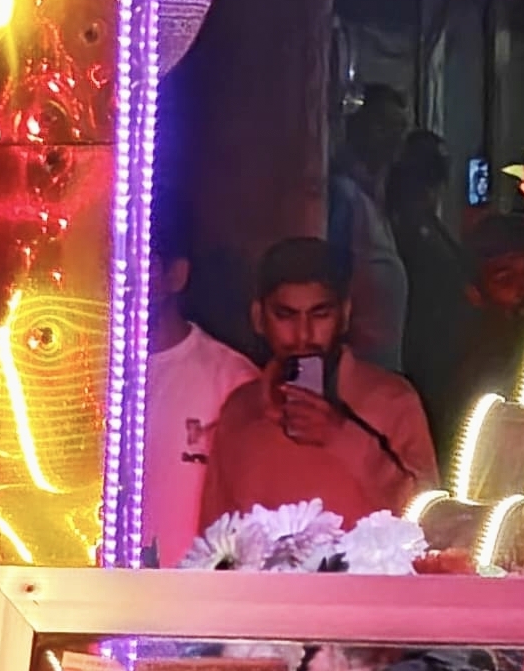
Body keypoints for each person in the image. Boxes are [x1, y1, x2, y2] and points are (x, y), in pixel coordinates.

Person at [195, 240, 436, 531]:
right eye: (285, 315)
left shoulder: (393, 401)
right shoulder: (241, 409)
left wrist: (343, 437)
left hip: (367, 576)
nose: (303, 334)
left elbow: (429, 522)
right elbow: (214, 540)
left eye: (320, 314)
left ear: (344, 315)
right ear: (259, 318)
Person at [138, 242, 255, 568]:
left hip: (195, 602)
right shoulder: (78, 374)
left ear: (177, 275)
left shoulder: (234, 380)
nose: (123, 280)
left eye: (142, 264)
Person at [328, 87, 416, 373]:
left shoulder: (378, 199)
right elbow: (332, 280)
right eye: (383, 126)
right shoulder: (345, 195)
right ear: (357, 127)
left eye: (400, 128)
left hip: (383, 371)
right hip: (354, 373)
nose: (394, 138)